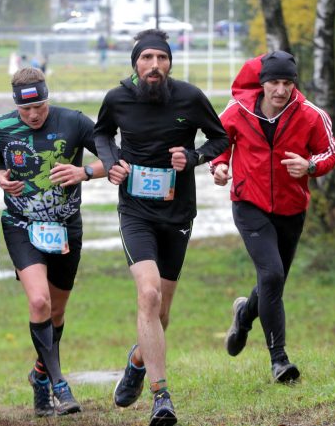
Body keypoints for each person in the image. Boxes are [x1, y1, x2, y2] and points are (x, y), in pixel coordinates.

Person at [93, 29, 229, 426]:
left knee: (162, 313)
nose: (154, 65)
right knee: (148, 295)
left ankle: (138, 361)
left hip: (178, 213)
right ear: (135, 62)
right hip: (136, 212)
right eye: (147, 58)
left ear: (170, 63)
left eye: (162, 58)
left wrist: (194, 156)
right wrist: (112, 160)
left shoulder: (189, 97)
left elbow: (220, 137)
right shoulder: (117, 98)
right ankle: (161, 397)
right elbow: (101, 132)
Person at [211, 51, 335, 383]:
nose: (280, 90)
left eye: (287, 83)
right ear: (262, 83)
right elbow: (219, 140)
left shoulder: (310, 115)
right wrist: (220, 164)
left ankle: (244, 313)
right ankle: (279, 360)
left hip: (291, 208)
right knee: (271, 275)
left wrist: (309, 166)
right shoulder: (238, 110)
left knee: (274, 280)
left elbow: (330, 152)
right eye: (274, 82)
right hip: (248, 203)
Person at [0, 67, 105, 417]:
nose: (34, 115)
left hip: (65, 227)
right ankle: (59, 386)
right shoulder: (2, 127)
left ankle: (39, 376)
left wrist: (83, 172)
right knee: (38, 302)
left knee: (56, 312)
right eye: (26, 110)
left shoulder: (75, 123)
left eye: (39, 106)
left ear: (47, 98)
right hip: (21, 225)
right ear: (15, 107)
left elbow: (113, 157)